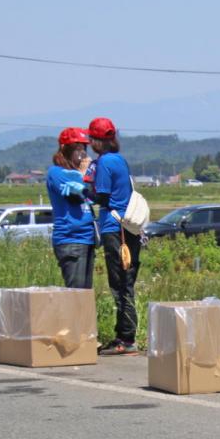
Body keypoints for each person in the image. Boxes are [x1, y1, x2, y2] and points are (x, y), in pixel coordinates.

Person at [86, 117, 140, 355]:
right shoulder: (120, 160)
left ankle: (126, 338)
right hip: (128, 229)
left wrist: (84, 190)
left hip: (114, 229)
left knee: (120, 283)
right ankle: (124, 334)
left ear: (97, 141)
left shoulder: (105, 163)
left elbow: (103, 197)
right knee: (126, 282)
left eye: (90, 138)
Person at [45, 127, 97, 289]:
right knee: (76, 294)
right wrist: (83, 175)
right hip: (71, 239)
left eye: (84, 149)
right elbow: (75, 197)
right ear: (64, 149)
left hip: (87, 238)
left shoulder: (79, 174)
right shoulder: (56, 172)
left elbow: (92, 195)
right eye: (77, 149)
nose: (82, 154)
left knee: (86, 294)